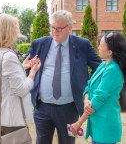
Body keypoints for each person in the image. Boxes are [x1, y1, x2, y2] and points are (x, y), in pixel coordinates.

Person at [24, 10, 102, 144]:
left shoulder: (82, 45)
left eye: (59, 28)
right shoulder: (39, 43)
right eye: (52, 27)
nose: (55, 32)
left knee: (67, 141)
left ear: (70, 28)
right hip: (42, 107)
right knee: (42, 141)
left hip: (69, 109)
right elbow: (25, 66)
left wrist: (87, 86)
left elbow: (99, 69)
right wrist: (28, 72)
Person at [0, 13, 41, 143]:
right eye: (15, 30)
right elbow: (21, 90)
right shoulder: (8, 56)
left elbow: (3, 76)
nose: (17, 36)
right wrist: (32, 73)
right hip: (11, 117)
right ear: (9, 32)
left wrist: (23, 66)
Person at [70, 32, 126, 144]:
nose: (98, 47)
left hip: (106, 127)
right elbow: (88, 85)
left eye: (101, 45)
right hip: (97, 125)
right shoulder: (103, 65)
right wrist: (86, 99)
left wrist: (79, 123)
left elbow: (97, 100)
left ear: (110, 52)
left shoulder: (113, 70)